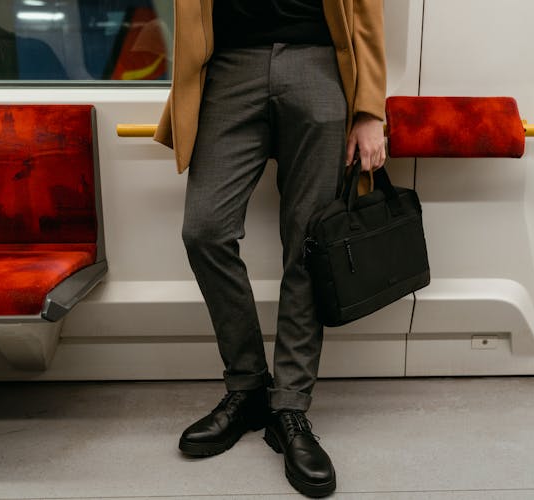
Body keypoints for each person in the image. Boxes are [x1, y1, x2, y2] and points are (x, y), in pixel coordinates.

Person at [154, 1, 386, 497]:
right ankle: (249, 388)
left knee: (307, 245)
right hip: (229, 64)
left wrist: (369, 109)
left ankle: (290, 408)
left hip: (319, 61)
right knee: (205, 230)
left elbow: (365, 11)